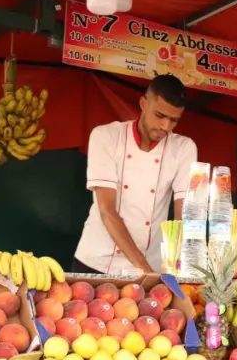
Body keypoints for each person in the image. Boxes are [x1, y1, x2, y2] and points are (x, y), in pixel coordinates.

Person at [74, 75, 198, 275]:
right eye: (159, 115)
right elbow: (107, 210)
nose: (165, 126)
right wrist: (145, 270)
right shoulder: (106, 136)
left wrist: (179, 267)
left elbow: (184, 214)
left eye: (173, 120)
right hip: (96, 262)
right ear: (143, 103)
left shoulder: (183, 148)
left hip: (151, 264)